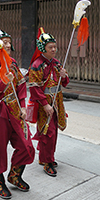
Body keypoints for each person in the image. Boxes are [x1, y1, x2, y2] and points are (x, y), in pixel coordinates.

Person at [0, 29, 35, 200]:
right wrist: (3, 82)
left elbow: (20, 86)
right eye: (4, 42)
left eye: (9, 42)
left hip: (15, 109)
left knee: (26, 145)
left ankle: (14, 175)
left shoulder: (12, 63)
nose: (9, 45)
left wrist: (24, 106)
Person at [28, 28, 69, 177]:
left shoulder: (57, 63)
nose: (53, 49)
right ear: (42, 48)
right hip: (44, 105)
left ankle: (49, 158)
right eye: (50, 47)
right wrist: (45, 104)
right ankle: (47, 162)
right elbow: (34, 88)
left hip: (57, 102)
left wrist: (63, 76)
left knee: (54, 132)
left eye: (54, 46)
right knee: (47, 133)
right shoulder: (37, 65)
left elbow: (63, 83)